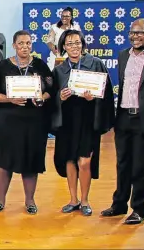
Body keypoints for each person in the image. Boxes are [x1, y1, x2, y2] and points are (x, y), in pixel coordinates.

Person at [101, 18, 144, 225]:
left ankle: (139, 209)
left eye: (140, 33)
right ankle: (119, 204)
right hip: (123, 117)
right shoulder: (123, 56)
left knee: (140, 166)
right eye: (133, 32)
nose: (135, 36)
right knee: (122, 164)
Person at [0, 30, 55, 214]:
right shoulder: (2, 66)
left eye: (28, 43)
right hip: (6, 122)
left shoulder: (40, 66)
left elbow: (51, 89)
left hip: (34, 123)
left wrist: (42, 96)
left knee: (31, 161)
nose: (25, 46)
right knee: (4, 160)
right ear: (14, 45)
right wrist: (9, 99)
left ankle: (30, 200)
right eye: (21, 43)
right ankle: (0, 198)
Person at [51, 30, 115, 216]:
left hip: (88, 119)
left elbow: (107, 93)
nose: (74, 47)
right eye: (70, 44)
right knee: (70, 160)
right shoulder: (59, 70)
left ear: (83, 44)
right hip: (67, 120)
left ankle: (85, 200)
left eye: (77, 43)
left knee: (85, 161)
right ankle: (73, 199)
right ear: (63, 46)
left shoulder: (96, 64)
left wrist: (93, 98)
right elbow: (52, 96)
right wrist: (59, 97)